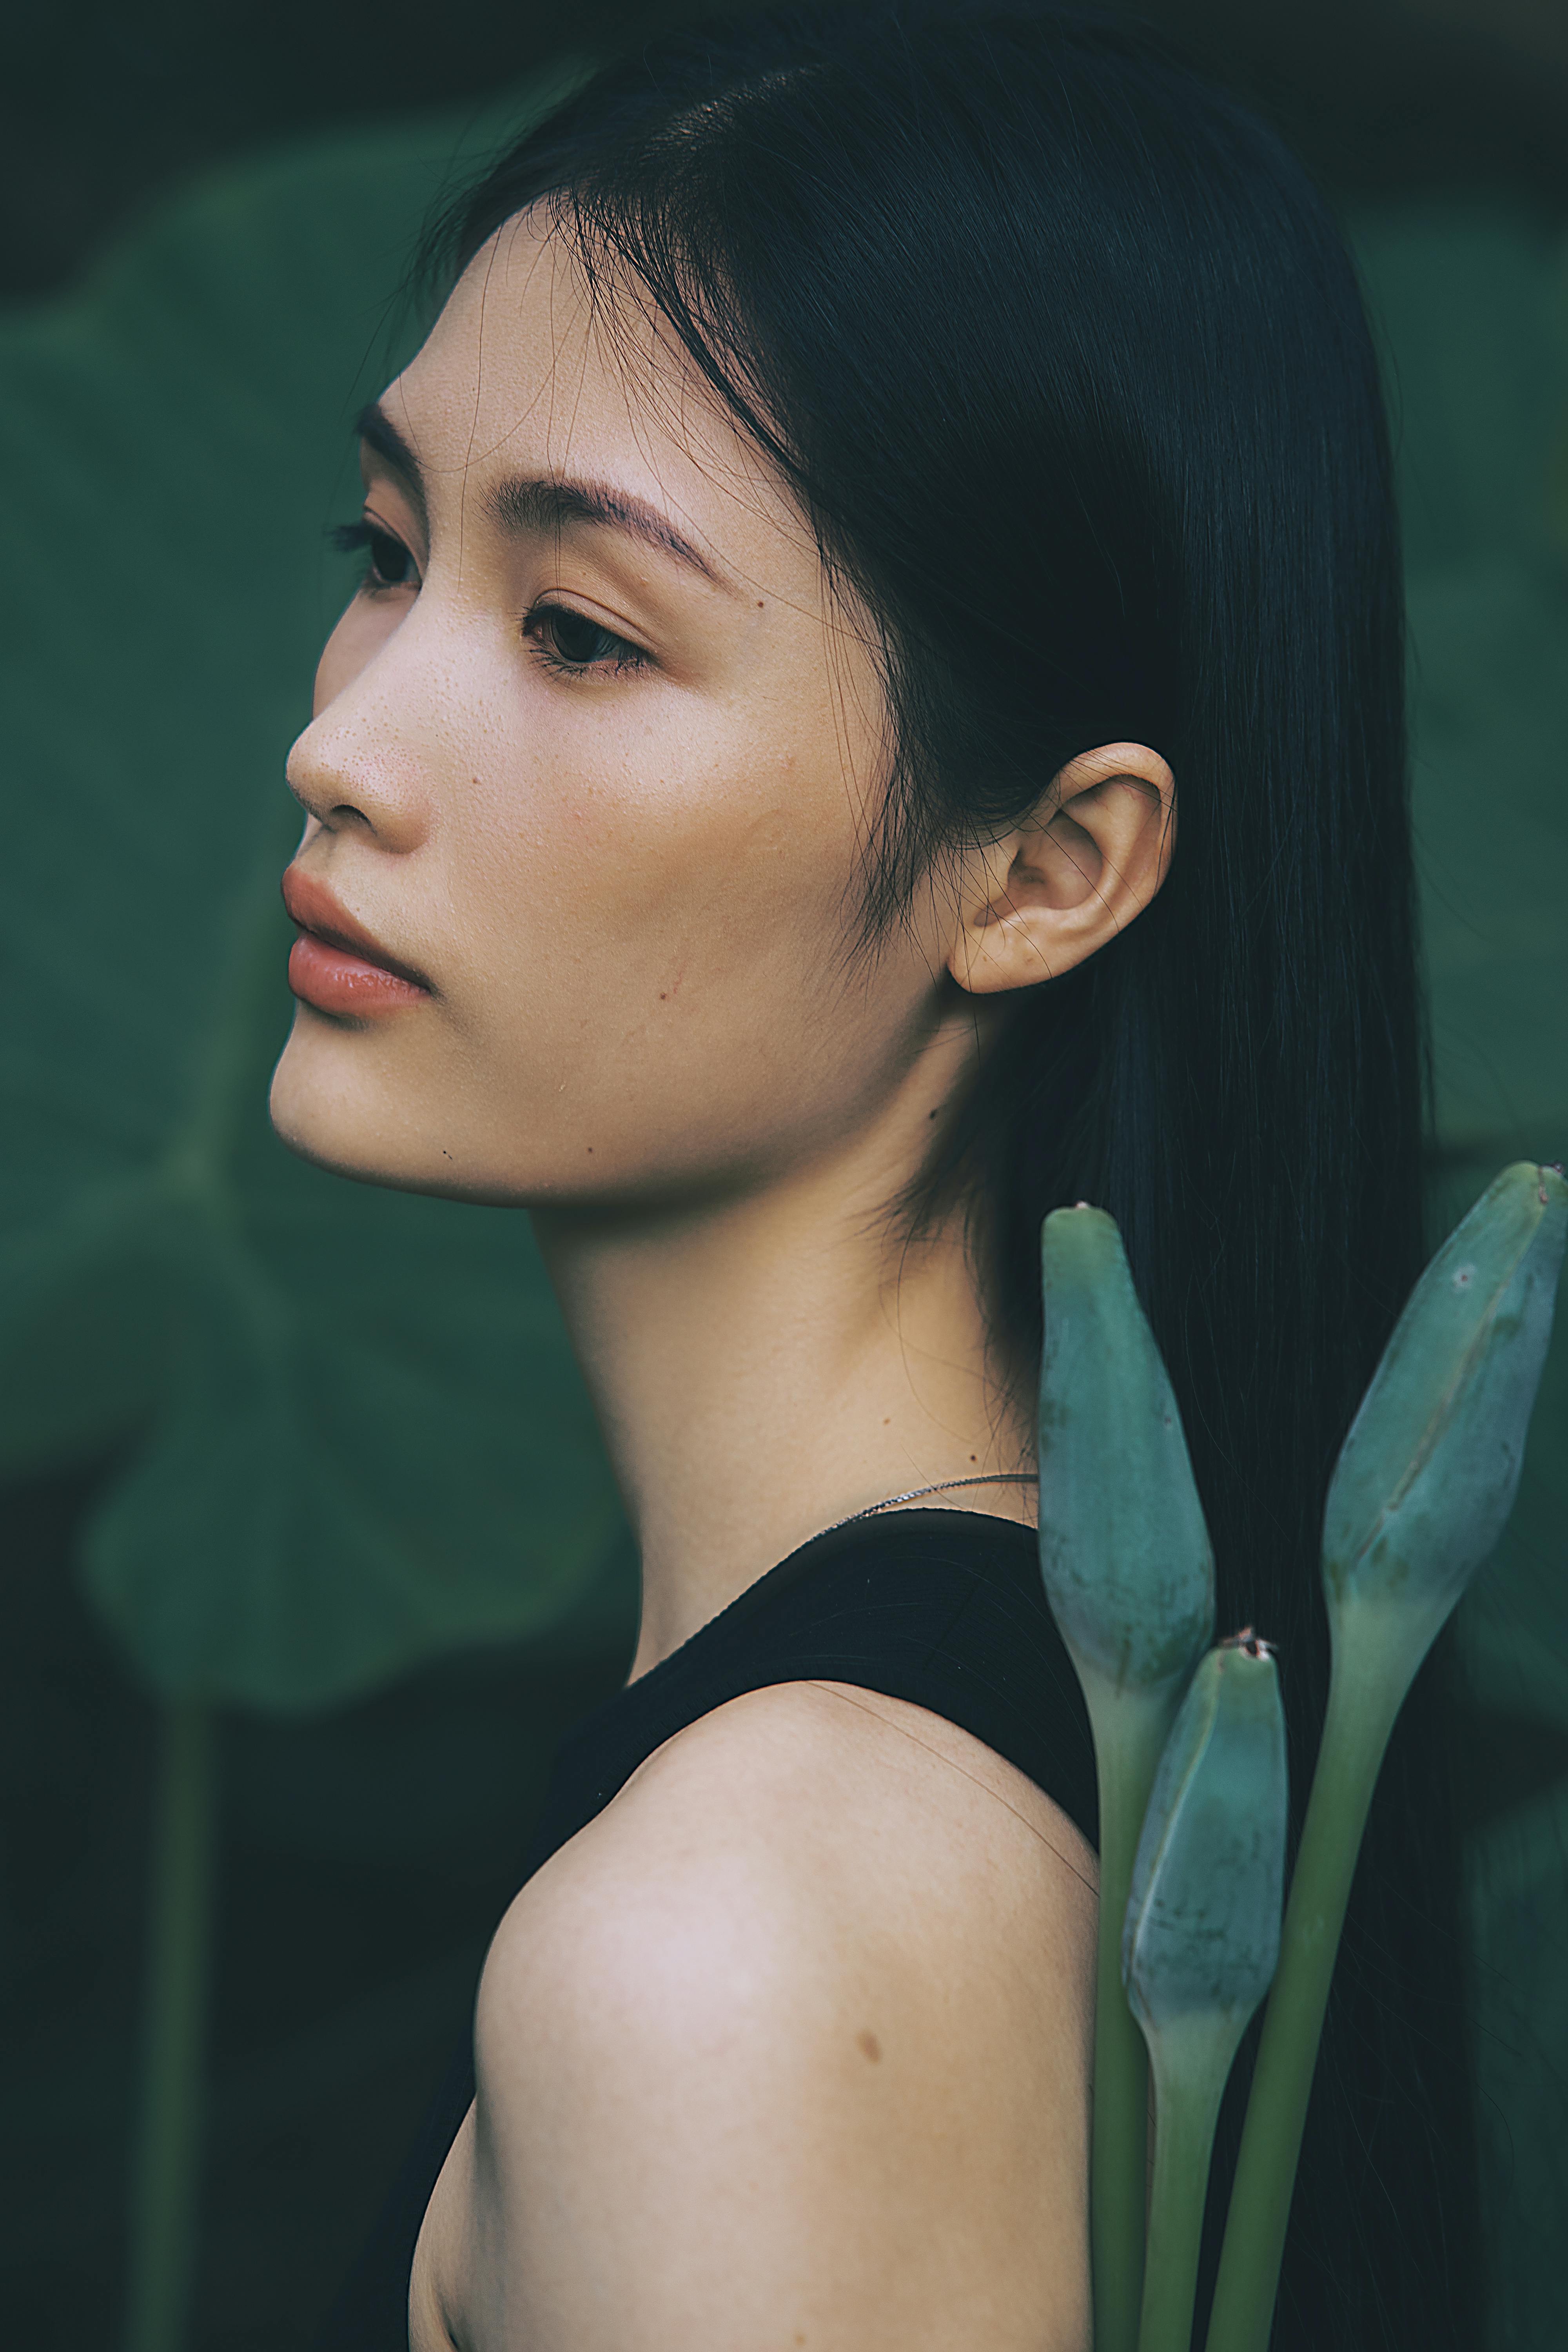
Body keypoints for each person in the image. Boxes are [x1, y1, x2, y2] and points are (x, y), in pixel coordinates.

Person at [270, 6, 1478, 2345]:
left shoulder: (737, 1949)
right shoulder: (972, 1775)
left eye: (580, 632)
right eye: (385, 550)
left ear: (1043, 867)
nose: (342, 738)